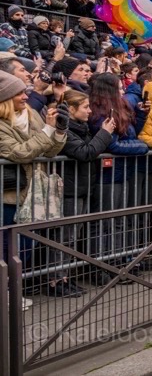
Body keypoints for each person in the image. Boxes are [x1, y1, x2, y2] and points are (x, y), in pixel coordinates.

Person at [0, 71, 72, 295]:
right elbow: (20, 152)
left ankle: (13, 291)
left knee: (26, 247)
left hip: (31, 193)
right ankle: (6, 296)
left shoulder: (31, 114)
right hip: (9, 194)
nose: (25, 96)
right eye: (20, 93)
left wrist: (59, 130)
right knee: (6, 249)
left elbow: (49, 152)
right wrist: (47, 131)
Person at [59, 90, 122, 286]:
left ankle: (63, 276)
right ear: (71, 109)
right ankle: (56, 279)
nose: (89, 111)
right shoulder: (65, 131)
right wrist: (104, 133)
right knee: (65, 236)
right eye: (85, 107)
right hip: (71, 189)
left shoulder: (81, 127)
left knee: (73, 234)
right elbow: (86, 152)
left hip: (83, 187)